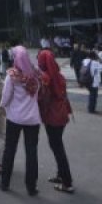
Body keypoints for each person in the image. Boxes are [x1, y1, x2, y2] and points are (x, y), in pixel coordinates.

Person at [0, 46, 42, 196]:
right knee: (31, 152)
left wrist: (2, 106)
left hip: (15, 118)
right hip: (33, 119)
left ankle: (4, 183)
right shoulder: (35, 75)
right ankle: (31, 187)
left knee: (10, 149)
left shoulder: (12, 76)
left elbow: (6, 96)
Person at [37, 47, 74, 193]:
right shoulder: (59, 76)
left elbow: (43, 99)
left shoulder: (46, 78)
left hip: (52, 116)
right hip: (62, 114)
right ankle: (61, 175)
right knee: (56, 145)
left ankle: (67, 182)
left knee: (57, 148)